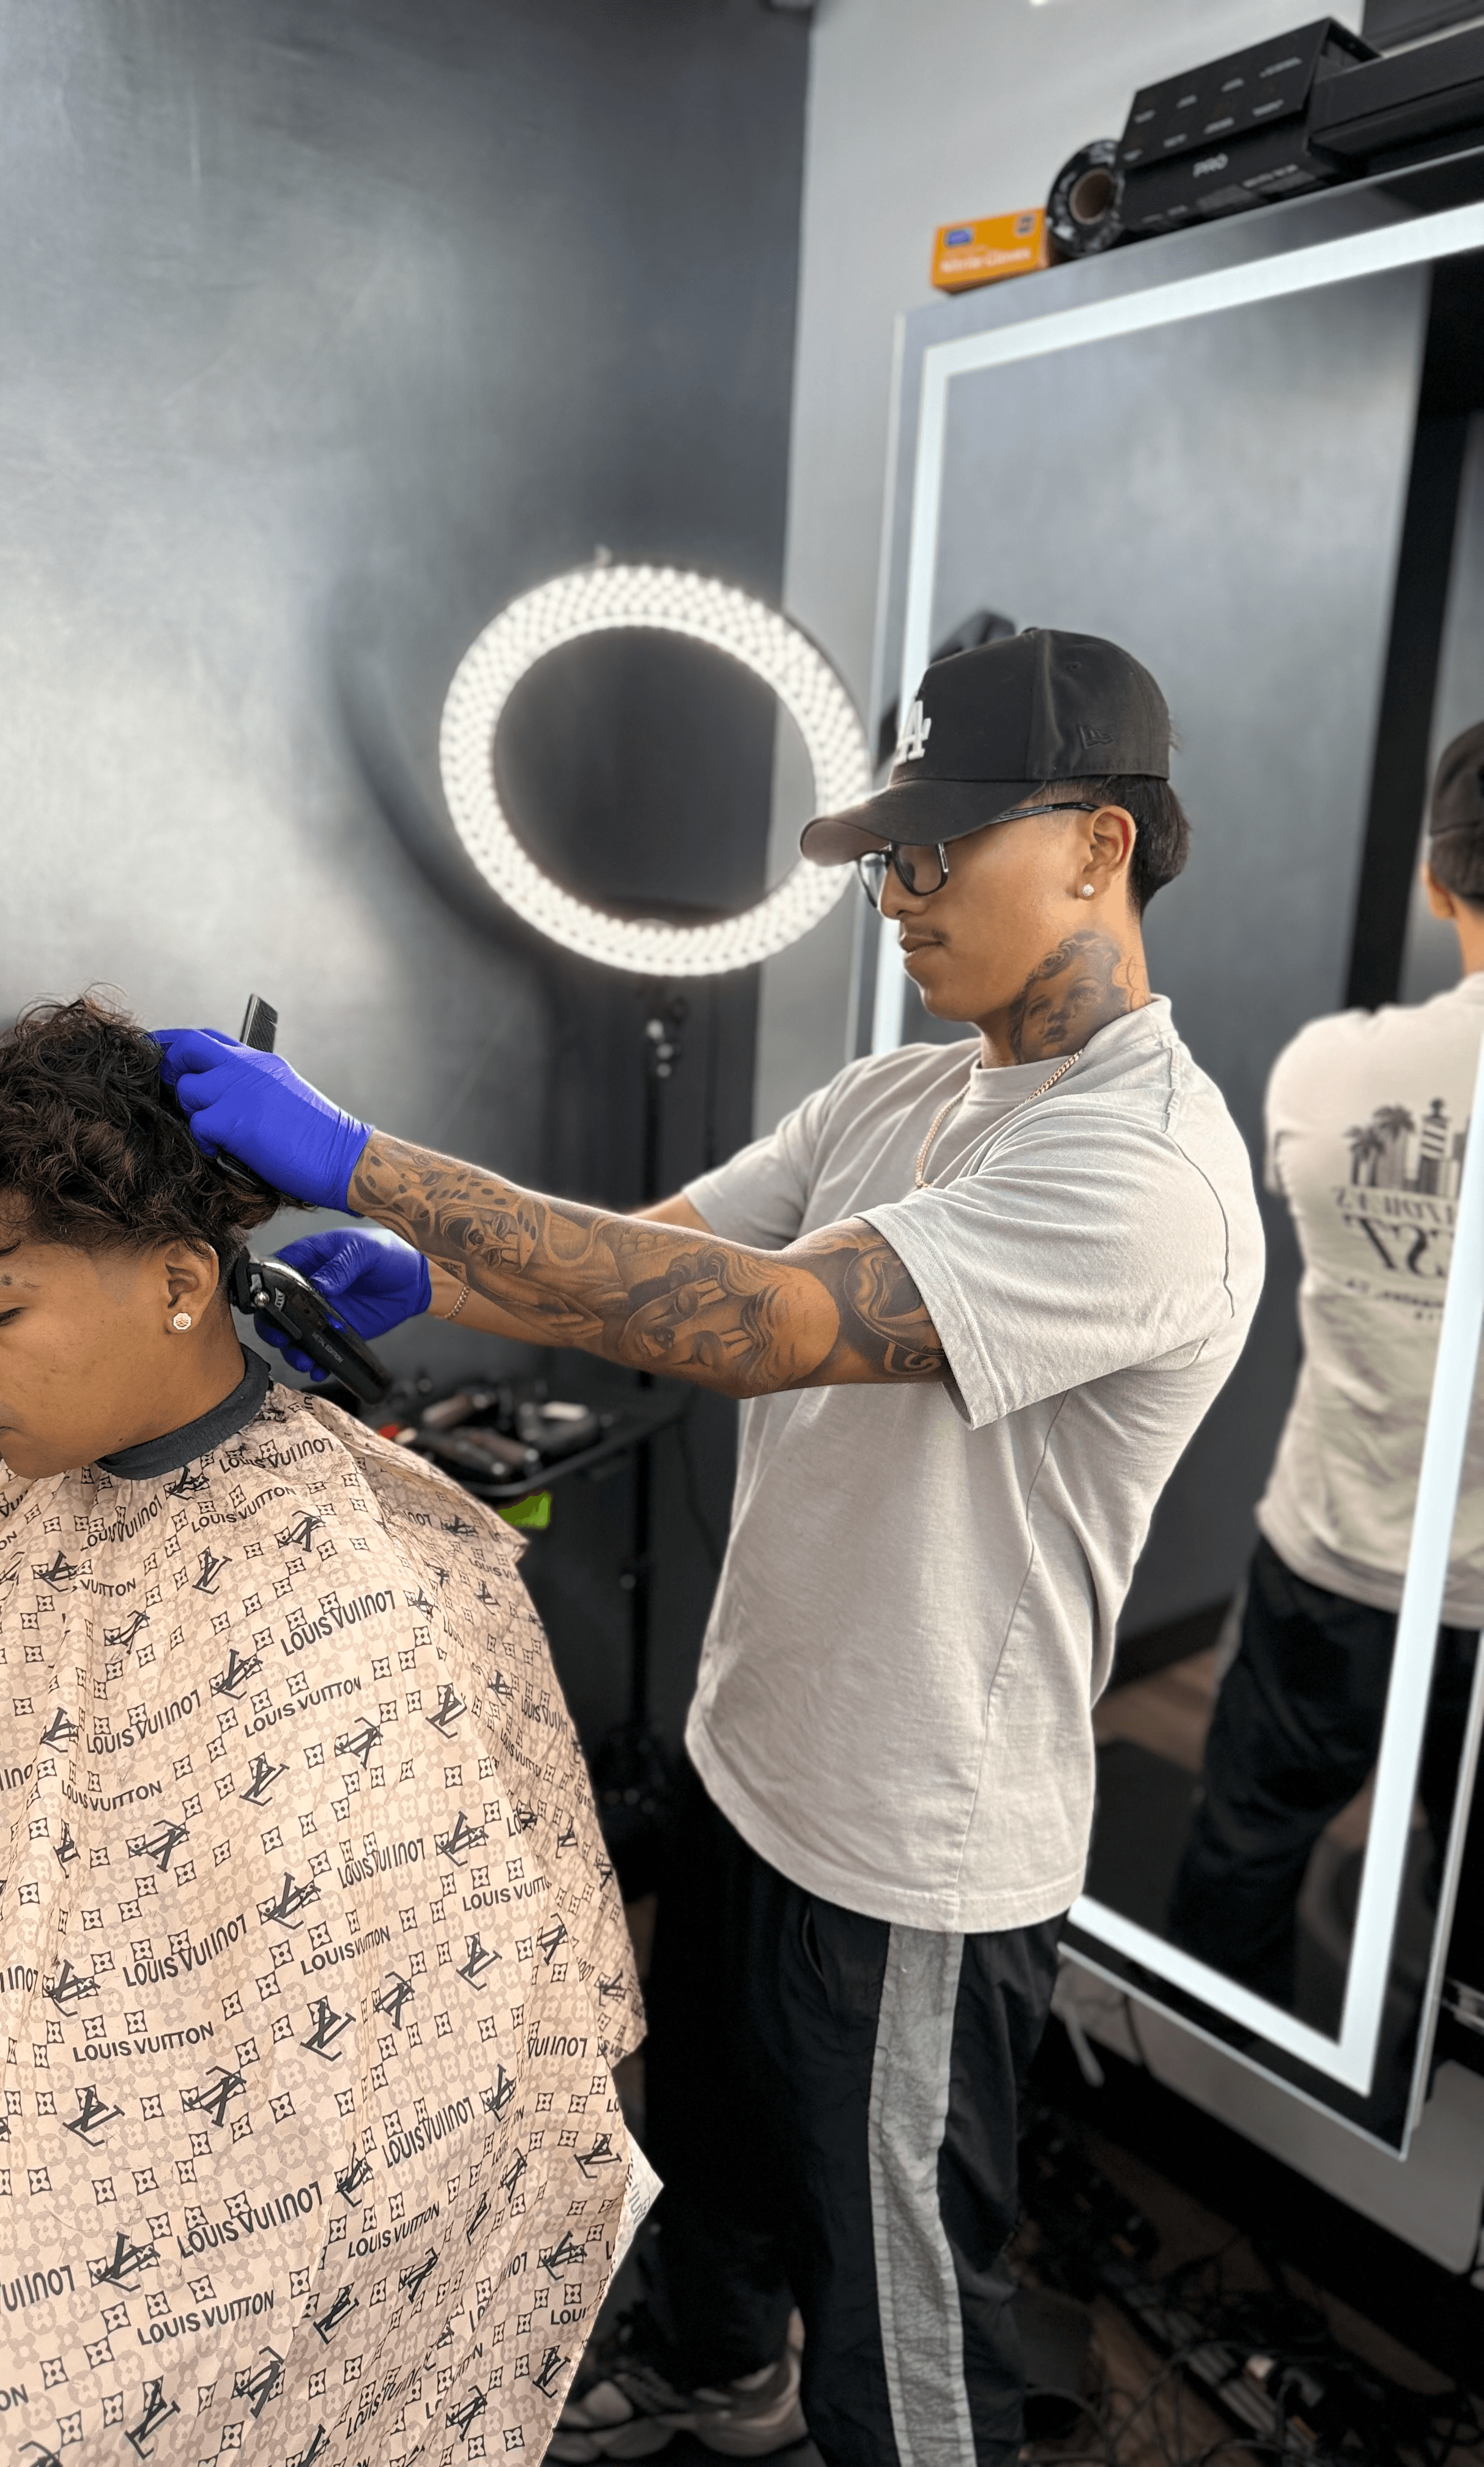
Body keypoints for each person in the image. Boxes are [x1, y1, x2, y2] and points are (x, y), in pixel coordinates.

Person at [155, 627, 1265, 2467]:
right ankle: (716, 2377)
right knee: (713, 2173)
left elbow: (761, 1324)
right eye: (887, 855)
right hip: (754, 1764)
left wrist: (366, 1162)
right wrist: (425, 1272)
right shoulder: (900, 1097)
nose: (894, 897)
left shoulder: (1144, 1173)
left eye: (936, 851)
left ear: (1098, 845)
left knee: (905, 2341)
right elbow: (662, 1252)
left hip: (912, 1852)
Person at [0, 997, 648, 2467]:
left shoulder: (355, 1594)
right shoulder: (37, 1481)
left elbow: (430, 2095)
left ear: (183, 1284)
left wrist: (373, 1173)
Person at [1167, 723, 1484, 2007]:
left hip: (1327, 1561)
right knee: (1469, 1935)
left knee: (1241, 1856)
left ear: (1435, 881)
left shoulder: (1326, 1069)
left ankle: (1203, 2086)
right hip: (1431, 1589)